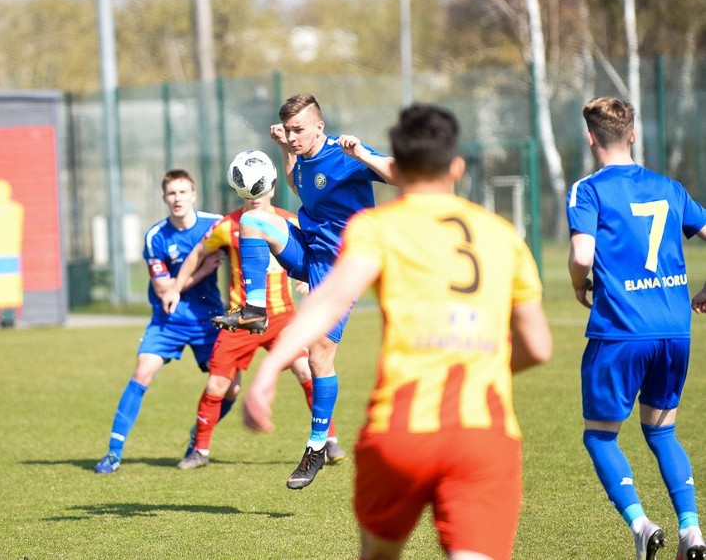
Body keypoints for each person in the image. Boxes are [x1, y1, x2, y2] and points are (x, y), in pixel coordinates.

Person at [243, 103, 552, 560]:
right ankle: (257, 318)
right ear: (457, 166)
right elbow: (538, 347)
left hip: (401, 429)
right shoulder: (501, 234)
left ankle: (317, 440)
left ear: (400, 165)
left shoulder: (378, 227)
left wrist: (270, 368)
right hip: (482, 432)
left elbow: (327, 298)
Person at [210, 93, 395, 489]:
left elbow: (399, 174)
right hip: (308, 250)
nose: (293, 137)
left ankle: (316, 446)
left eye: (298, 131)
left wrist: (362, 153)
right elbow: (298, 187)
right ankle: (255, 308)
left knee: (319, 357)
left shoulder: (345, 154)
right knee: (254, 219)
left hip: (341, 269)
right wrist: (284, 150)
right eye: (288, 131)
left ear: (319, 127)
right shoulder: (302, 156)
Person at [567, 96, 706, 560]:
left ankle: (643, 526)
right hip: (674, 330)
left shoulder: (589, 190)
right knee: (662, 432)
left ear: (590, 139)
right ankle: (692, 533)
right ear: (633, 134)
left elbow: (583, 256)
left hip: (620, 331)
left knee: (600, 435)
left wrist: (577, 285)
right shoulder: (669, 186)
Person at [162, 187, 346, 469]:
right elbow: (198, 251)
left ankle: (329, 440)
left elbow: (312, 257)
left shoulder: (289, 221)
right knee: (219, 385)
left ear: (272, 187)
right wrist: (175, 287)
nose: (254, 193)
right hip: (243, 318)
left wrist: (308, 280)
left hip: (282, 317)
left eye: (260, 186)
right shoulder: (228, 224)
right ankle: (199, 449)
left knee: (307, 368)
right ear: (238, 190)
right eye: (247, 188)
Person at [94, 169, 224, 474]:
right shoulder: (156, 236)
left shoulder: (215, 225)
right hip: (169, 320)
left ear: (194, 194)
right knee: (142, 372)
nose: (177, 199)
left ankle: (199, 434)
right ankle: (113, 453)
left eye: (183, 192)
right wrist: (204, 270)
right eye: (171, 193)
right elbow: (165, 291)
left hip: (209, 318)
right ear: (164, 198)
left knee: (228, 388)